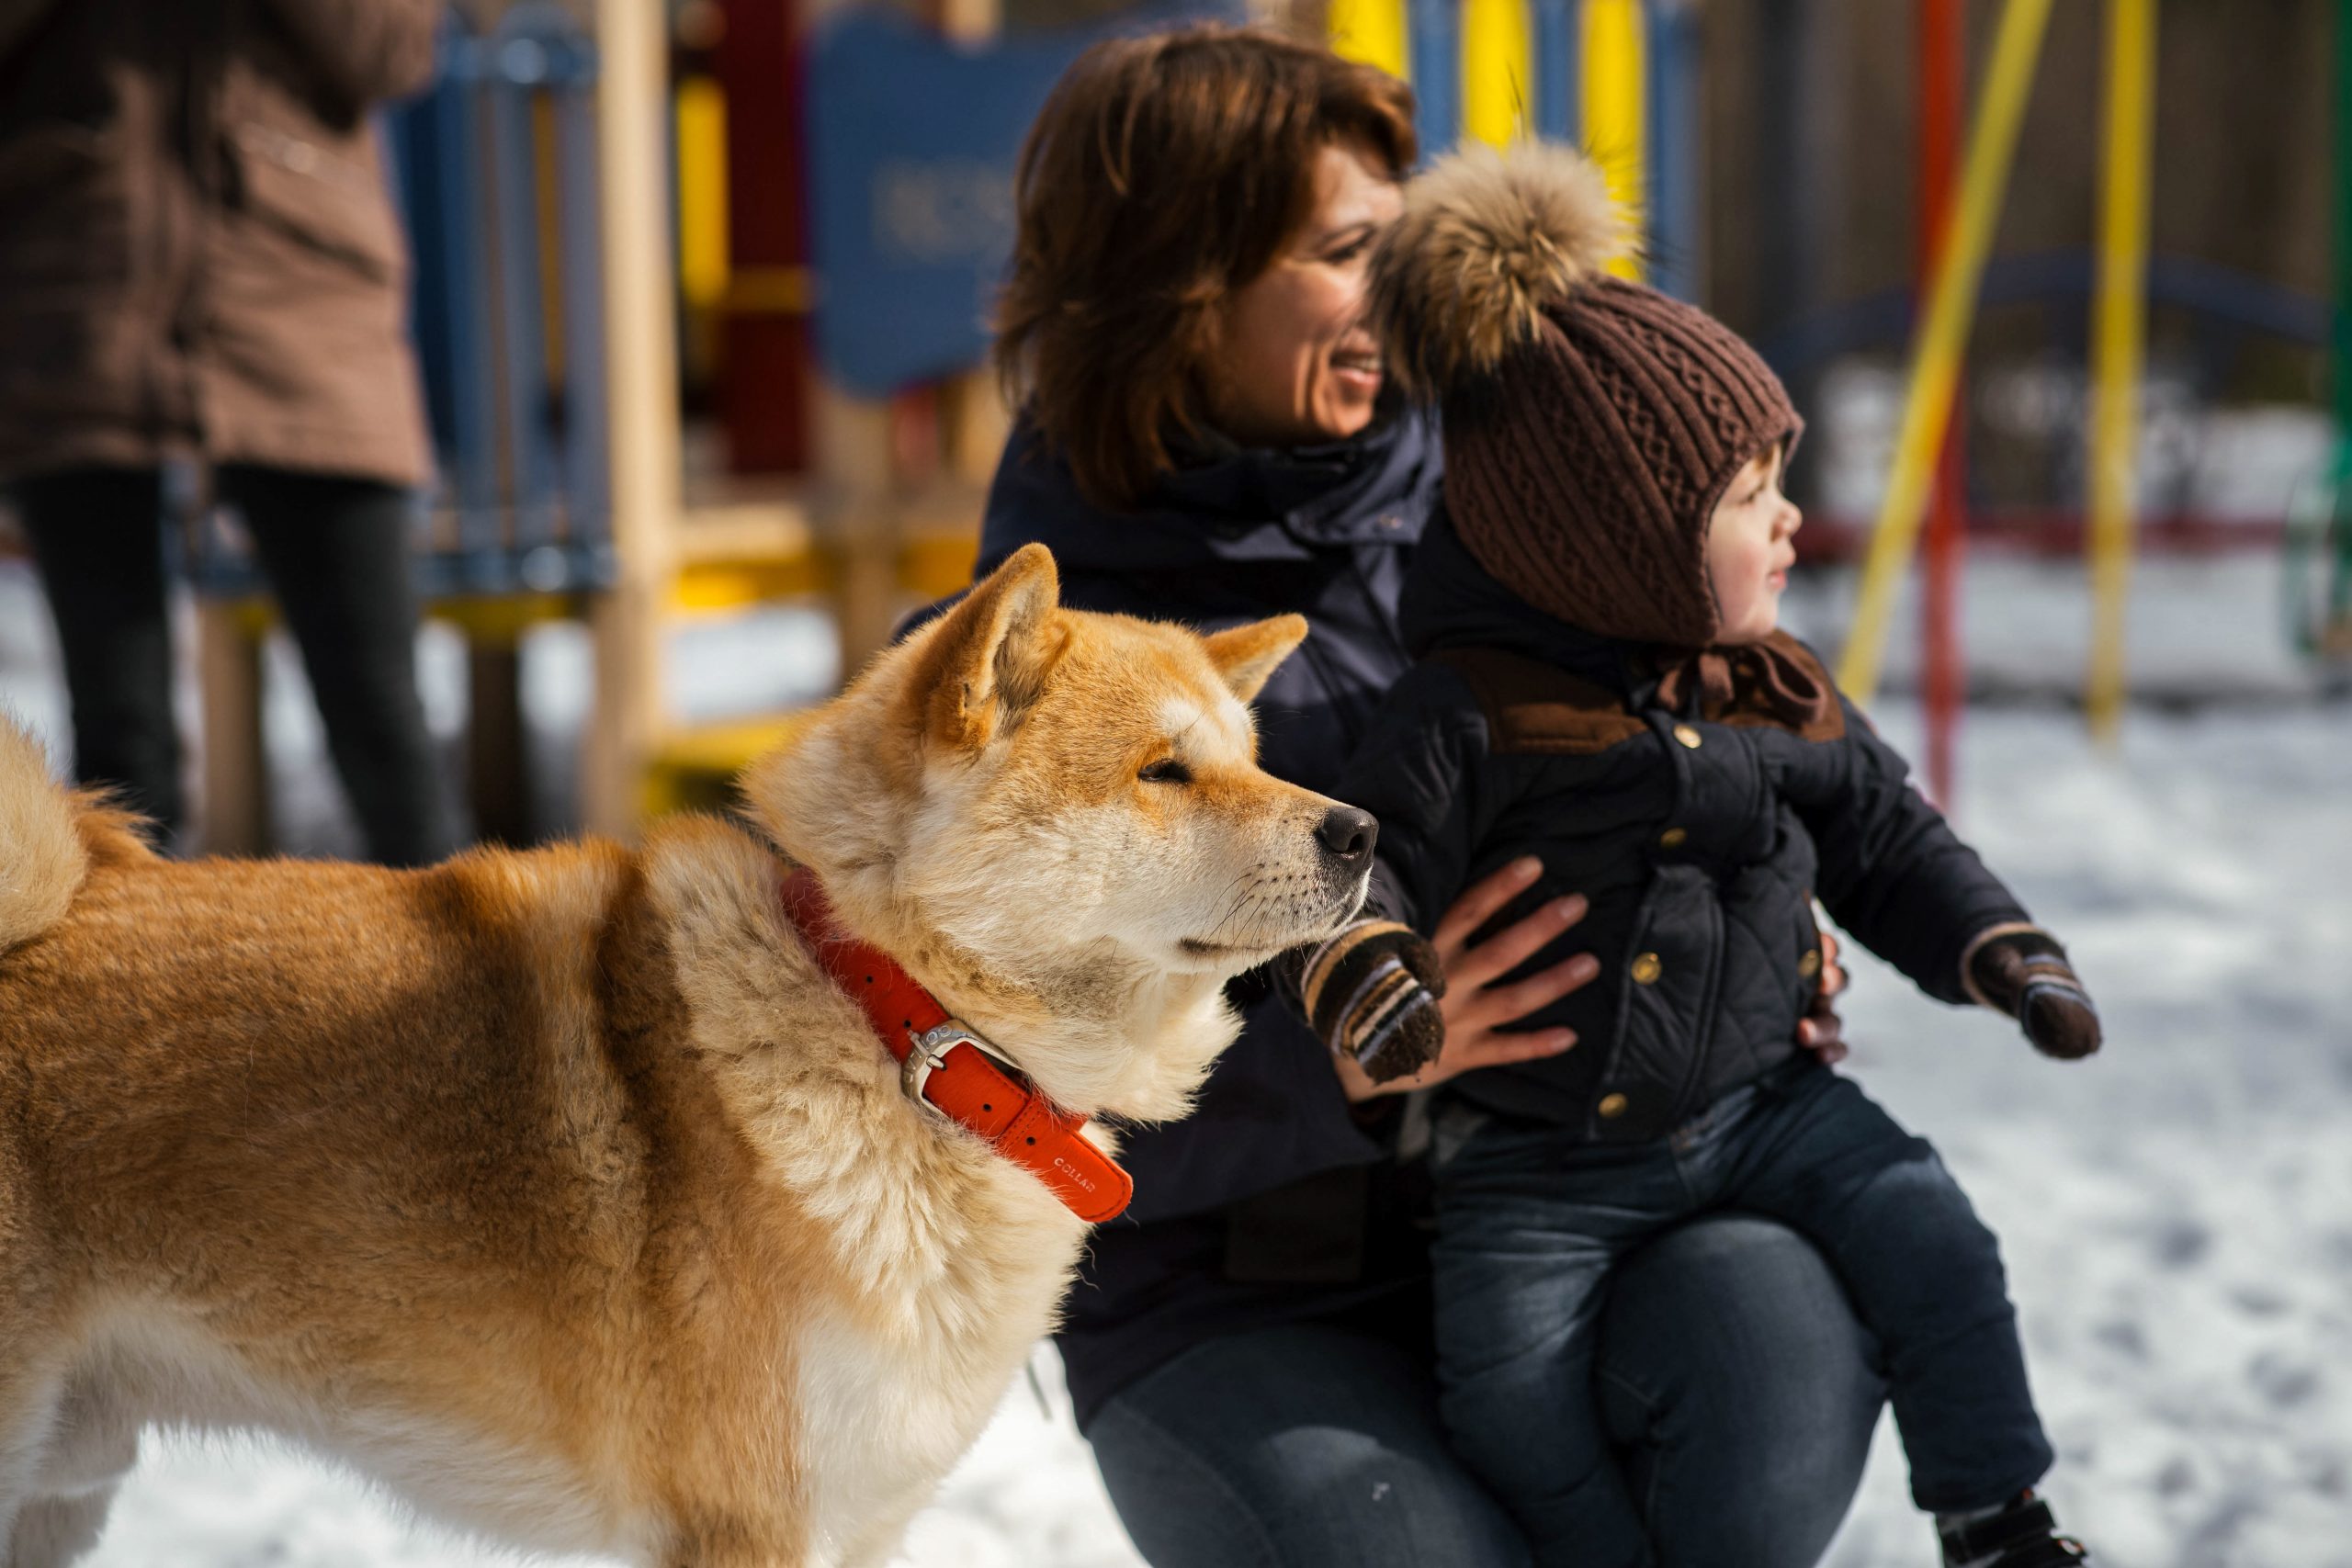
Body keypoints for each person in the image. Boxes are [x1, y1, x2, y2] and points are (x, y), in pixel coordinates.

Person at [965, 27, 1886, 1566]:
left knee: (1777, 1362)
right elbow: (995, 1106)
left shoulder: (1530, 508)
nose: (1395, 298)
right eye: (1339, 253)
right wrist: (1354, 1061)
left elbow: (1733, 759)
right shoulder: (1016, 662)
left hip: (1586, 1201)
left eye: (1400, 248)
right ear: (1175, 287)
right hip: (1237, 1303)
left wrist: (1753, 917)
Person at [1291, 143, 2102, 1568]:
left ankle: (1995, 1511)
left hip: (1764, 1107)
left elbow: (1884, 828)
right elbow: (1362, 868)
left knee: (1935, 1236)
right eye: (1750, 493)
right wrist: (1370, 974)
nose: (1791, 519)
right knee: (1504, 1392)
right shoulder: (1472, 712)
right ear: (1622, 545)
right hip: (1532, 1158)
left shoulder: (1766, 684)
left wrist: (2003, 948)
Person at [0, 0, 458, 864]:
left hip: (306, 297)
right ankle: (123, 991)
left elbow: (397, 52)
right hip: (80, 292)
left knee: (384, 728)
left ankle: (483, 990)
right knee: (118, 755)